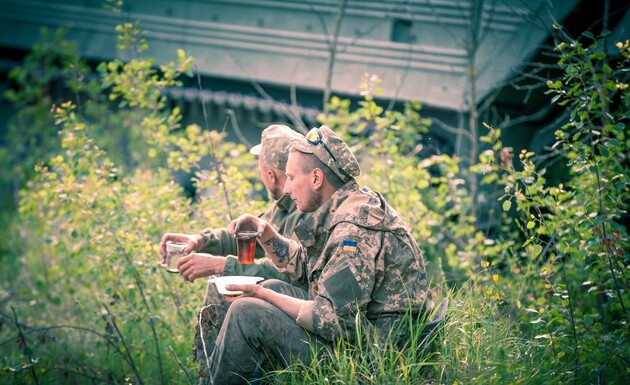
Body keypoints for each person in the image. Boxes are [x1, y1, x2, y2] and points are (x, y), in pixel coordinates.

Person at [201, 125, 433, 384]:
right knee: (274, 286)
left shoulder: (352, 234)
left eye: (291, 177)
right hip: (365, 336)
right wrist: (265, 233)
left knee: (247, 311)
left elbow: (335, 322)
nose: (287, 189)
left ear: (315, 178)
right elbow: (307, 267)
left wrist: (262, 295)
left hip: (374, 359)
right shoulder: (346, 205)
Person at [157, 124, 306, 369]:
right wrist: (200, 240)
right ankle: (211, 370)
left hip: (301, 305)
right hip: (291, 302)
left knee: (226, 283)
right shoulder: (284, 206)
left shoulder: (303, 210)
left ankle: (218, 371)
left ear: (270, 175)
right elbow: (247, 236)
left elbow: (287, 272)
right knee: (222, 281)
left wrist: (220, 264)